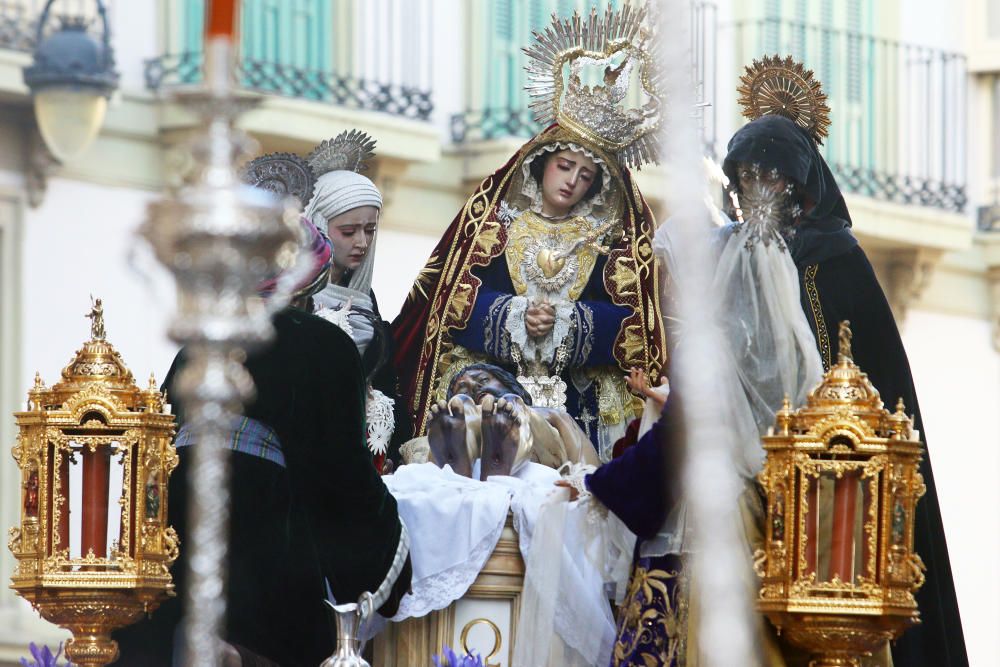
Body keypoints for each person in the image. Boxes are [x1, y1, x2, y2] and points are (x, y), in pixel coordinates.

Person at [720, 55, 968, 666]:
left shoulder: (837, 260)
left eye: (770, 178)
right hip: (750, 465)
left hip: (836, 481)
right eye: (745, 178)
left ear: (797, 185)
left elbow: (862, 373)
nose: (756, 192)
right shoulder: (732, 256)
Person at [113, 218, 412, 666]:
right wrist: (392, 544)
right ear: (306, 279)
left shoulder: (197, 343)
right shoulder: (322, 345)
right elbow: (341, 475)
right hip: (264, 547)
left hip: (176, 541)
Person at [392, 5, 668, 461]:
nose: (572, 181)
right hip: (499, 377)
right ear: (542, 163)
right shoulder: (495, 226)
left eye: (585, 175)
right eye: (565, 166)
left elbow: (632, 322)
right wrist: (514, 315)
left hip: (577, 393)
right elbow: (453, 303)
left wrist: (568, 323)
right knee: (477, 399)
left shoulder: (609, 242)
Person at [244, 133, 411, 473]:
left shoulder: (368, 301)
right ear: (319, 223)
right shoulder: (290, 297)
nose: (362, 242)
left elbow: (384, 383)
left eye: (370, 230)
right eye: (348, 231)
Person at [399, 362, 601, 477]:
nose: (474, 388)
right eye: (463, 389)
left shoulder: (550, 414)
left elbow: (587, 468)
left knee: (514, 405)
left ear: (508, 381)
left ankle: (476, 462)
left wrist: (584, 481)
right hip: (463, 434)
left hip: (535, 453)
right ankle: (473, 460)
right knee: (459, 418)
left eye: (483, 380)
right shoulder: (445, 426)